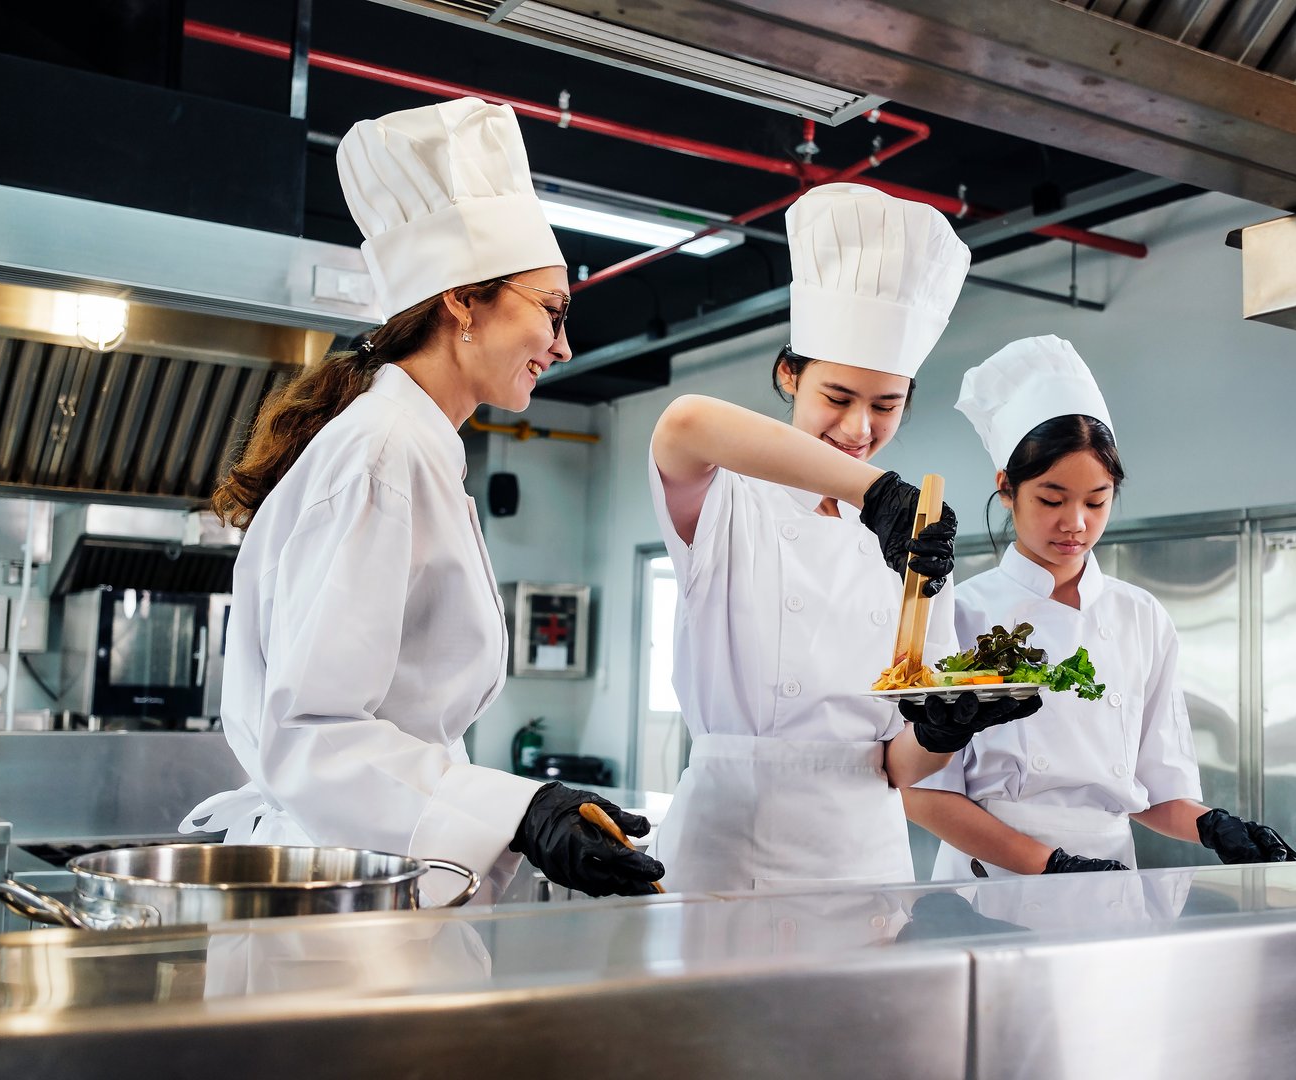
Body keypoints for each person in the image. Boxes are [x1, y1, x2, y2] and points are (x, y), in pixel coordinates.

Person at [180, 97, 662, 901]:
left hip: (378, 870)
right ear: (463, 301)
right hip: (335, 887)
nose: (564, 346)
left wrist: (520, 811)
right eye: (552, 312)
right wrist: (522, 809)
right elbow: (314, 739)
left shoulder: (418, 449)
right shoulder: (383, 451)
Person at [647, 183, 1041, 893]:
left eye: (886, 405)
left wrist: (943, 731)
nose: (861, 429)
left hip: (864, 857)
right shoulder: (729, 501)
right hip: (730, 847)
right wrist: (874, 491)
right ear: (788, 373)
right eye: (838, 398)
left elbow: (898, 766)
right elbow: (684, 423)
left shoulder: (918, 536)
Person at [904, 336, 1296, 878]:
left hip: (1110, 874)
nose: (1076, 523)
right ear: (1006, 489)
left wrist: (1215, 827)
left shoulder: (1142, 618)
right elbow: (924, 795)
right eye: (1051, 498)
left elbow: (1157, 793)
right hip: (991, 881)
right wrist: (1051, 865)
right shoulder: (957, 613)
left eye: (1096, 500)